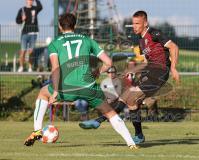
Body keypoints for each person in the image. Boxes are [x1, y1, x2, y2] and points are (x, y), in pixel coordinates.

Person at [23, 13, 138, 149]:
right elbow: (108, 62)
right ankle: (131, 143)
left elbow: (56, 68)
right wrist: (97, 72)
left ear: (60, 26)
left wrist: (55, 91)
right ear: (75, 25)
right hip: (88, 86)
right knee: (110, 112)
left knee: (42, 93)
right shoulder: (87, 40)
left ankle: (37, 129)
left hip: (66, 88)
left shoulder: (55, 43)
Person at [79, 10, 180, 144]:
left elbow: (174, 47)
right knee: (132, 102)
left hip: (160, 73)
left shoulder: (154, 34)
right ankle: (139, 135)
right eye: (133, 23)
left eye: (137, 23)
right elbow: (145, 63)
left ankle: (99, 121)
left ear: (145, 23)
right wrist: (132, 70)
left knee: (129, 97)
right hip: (150, 73)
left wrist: (173, 68)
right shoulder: (141, 42)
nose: (134, 26)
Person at [16, 0, 42, 72]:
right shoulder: (22, 10)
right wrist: (22, 19)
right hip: (24, 33)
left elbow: (40, 7)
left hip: (33, 34)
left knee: (31, 52)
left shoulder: (35, 8)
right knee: (23, 51)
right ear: (26, 1)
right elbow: (17, 21)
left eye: (32, 0)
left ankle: (30, 67)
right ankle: (21, 67)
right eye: (29, 0)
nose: (30, 1)